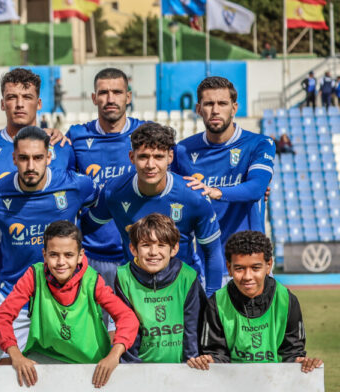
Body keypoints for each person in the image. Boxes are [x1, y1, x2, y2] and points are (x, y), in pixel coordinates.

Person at [0, 126, 96, 347]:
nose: (31, 166)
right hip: (15, 298)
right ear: (13, 158)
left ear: (49, 157)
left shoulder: (76, 186)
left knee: (71, 372)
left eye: (37, 157)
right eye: (23, 158)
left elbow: (101, 209)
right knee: (9, 371)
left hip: (66, 298)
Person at [0, 68, 74, 317]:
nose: (19, 104)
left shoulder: (63, 148)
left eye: (27, 96)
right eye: (11, 97)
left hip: (56, 272)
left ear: (39, 102)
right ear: (1, 103)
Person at [81, 122, 224, 297]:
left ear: (170, 157)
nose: (150, 164)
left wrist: (212, 299)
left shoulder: (194, 197)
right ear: (131, 157)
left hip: (183, 290)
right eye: (143, 157)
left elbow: (212, 251)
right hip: (135, 292)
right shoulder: (114, 192)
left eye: (158, 156)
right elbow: (86, 226)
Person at [0, 221, 139, 388]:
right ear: (44, 254)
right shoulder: (34, 275)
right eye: (54, 254)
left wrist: (114, 355)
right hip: (45, 358)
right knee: (6, 367)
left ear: (80, 255)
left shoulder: (92, 281)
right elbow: (1, 317)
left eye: (68, 255)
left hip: (91, 365)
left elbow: (127, 318)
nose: (61, 262)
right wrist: (16, 355)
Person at [171, 76, 275, 268]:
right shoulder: (182, 151)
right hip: (207, 263)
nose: (216, 110)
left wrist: (216, 191)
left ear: (234, 108)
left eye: (222, 103)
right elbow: (171, 197)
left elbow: (256, 188)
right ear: (198, 109)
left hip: (250, 262)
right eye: (209, 104)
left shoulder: (259, 144)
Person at [187, 231, 323, 372]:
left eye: (255, 268)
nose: (247, 276)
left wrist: (300, 361)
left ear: (268, 265)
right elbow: (216, 353)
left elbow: (292, 352)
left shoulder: (286, 300)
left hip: (274, 384)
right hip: (231, 385)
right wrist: (211, 359)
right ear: (229, 268)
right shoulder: (217, 303)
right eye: (239, 268)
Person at [67, 67, 147, 290]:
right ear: (94, 98)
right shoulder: (76, 136)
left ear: (128, 97)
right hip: (91, 256)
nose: (110, 99)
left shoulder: (147, 133)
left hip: (138, 256)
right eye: (103, 93)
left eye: (117, 92)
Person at [113, 213, 205, 363]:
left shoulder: (187, 277)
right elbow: (127, 326)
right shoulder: (124, 277)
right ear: (133, 249)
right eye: (145, 245)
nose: (153, 252)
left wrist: (190, 366)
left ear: (174, 249)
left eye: (161, 245)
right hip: (140, 368)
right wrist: (132, 368)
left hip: (181, 368)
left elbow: (193, 328)